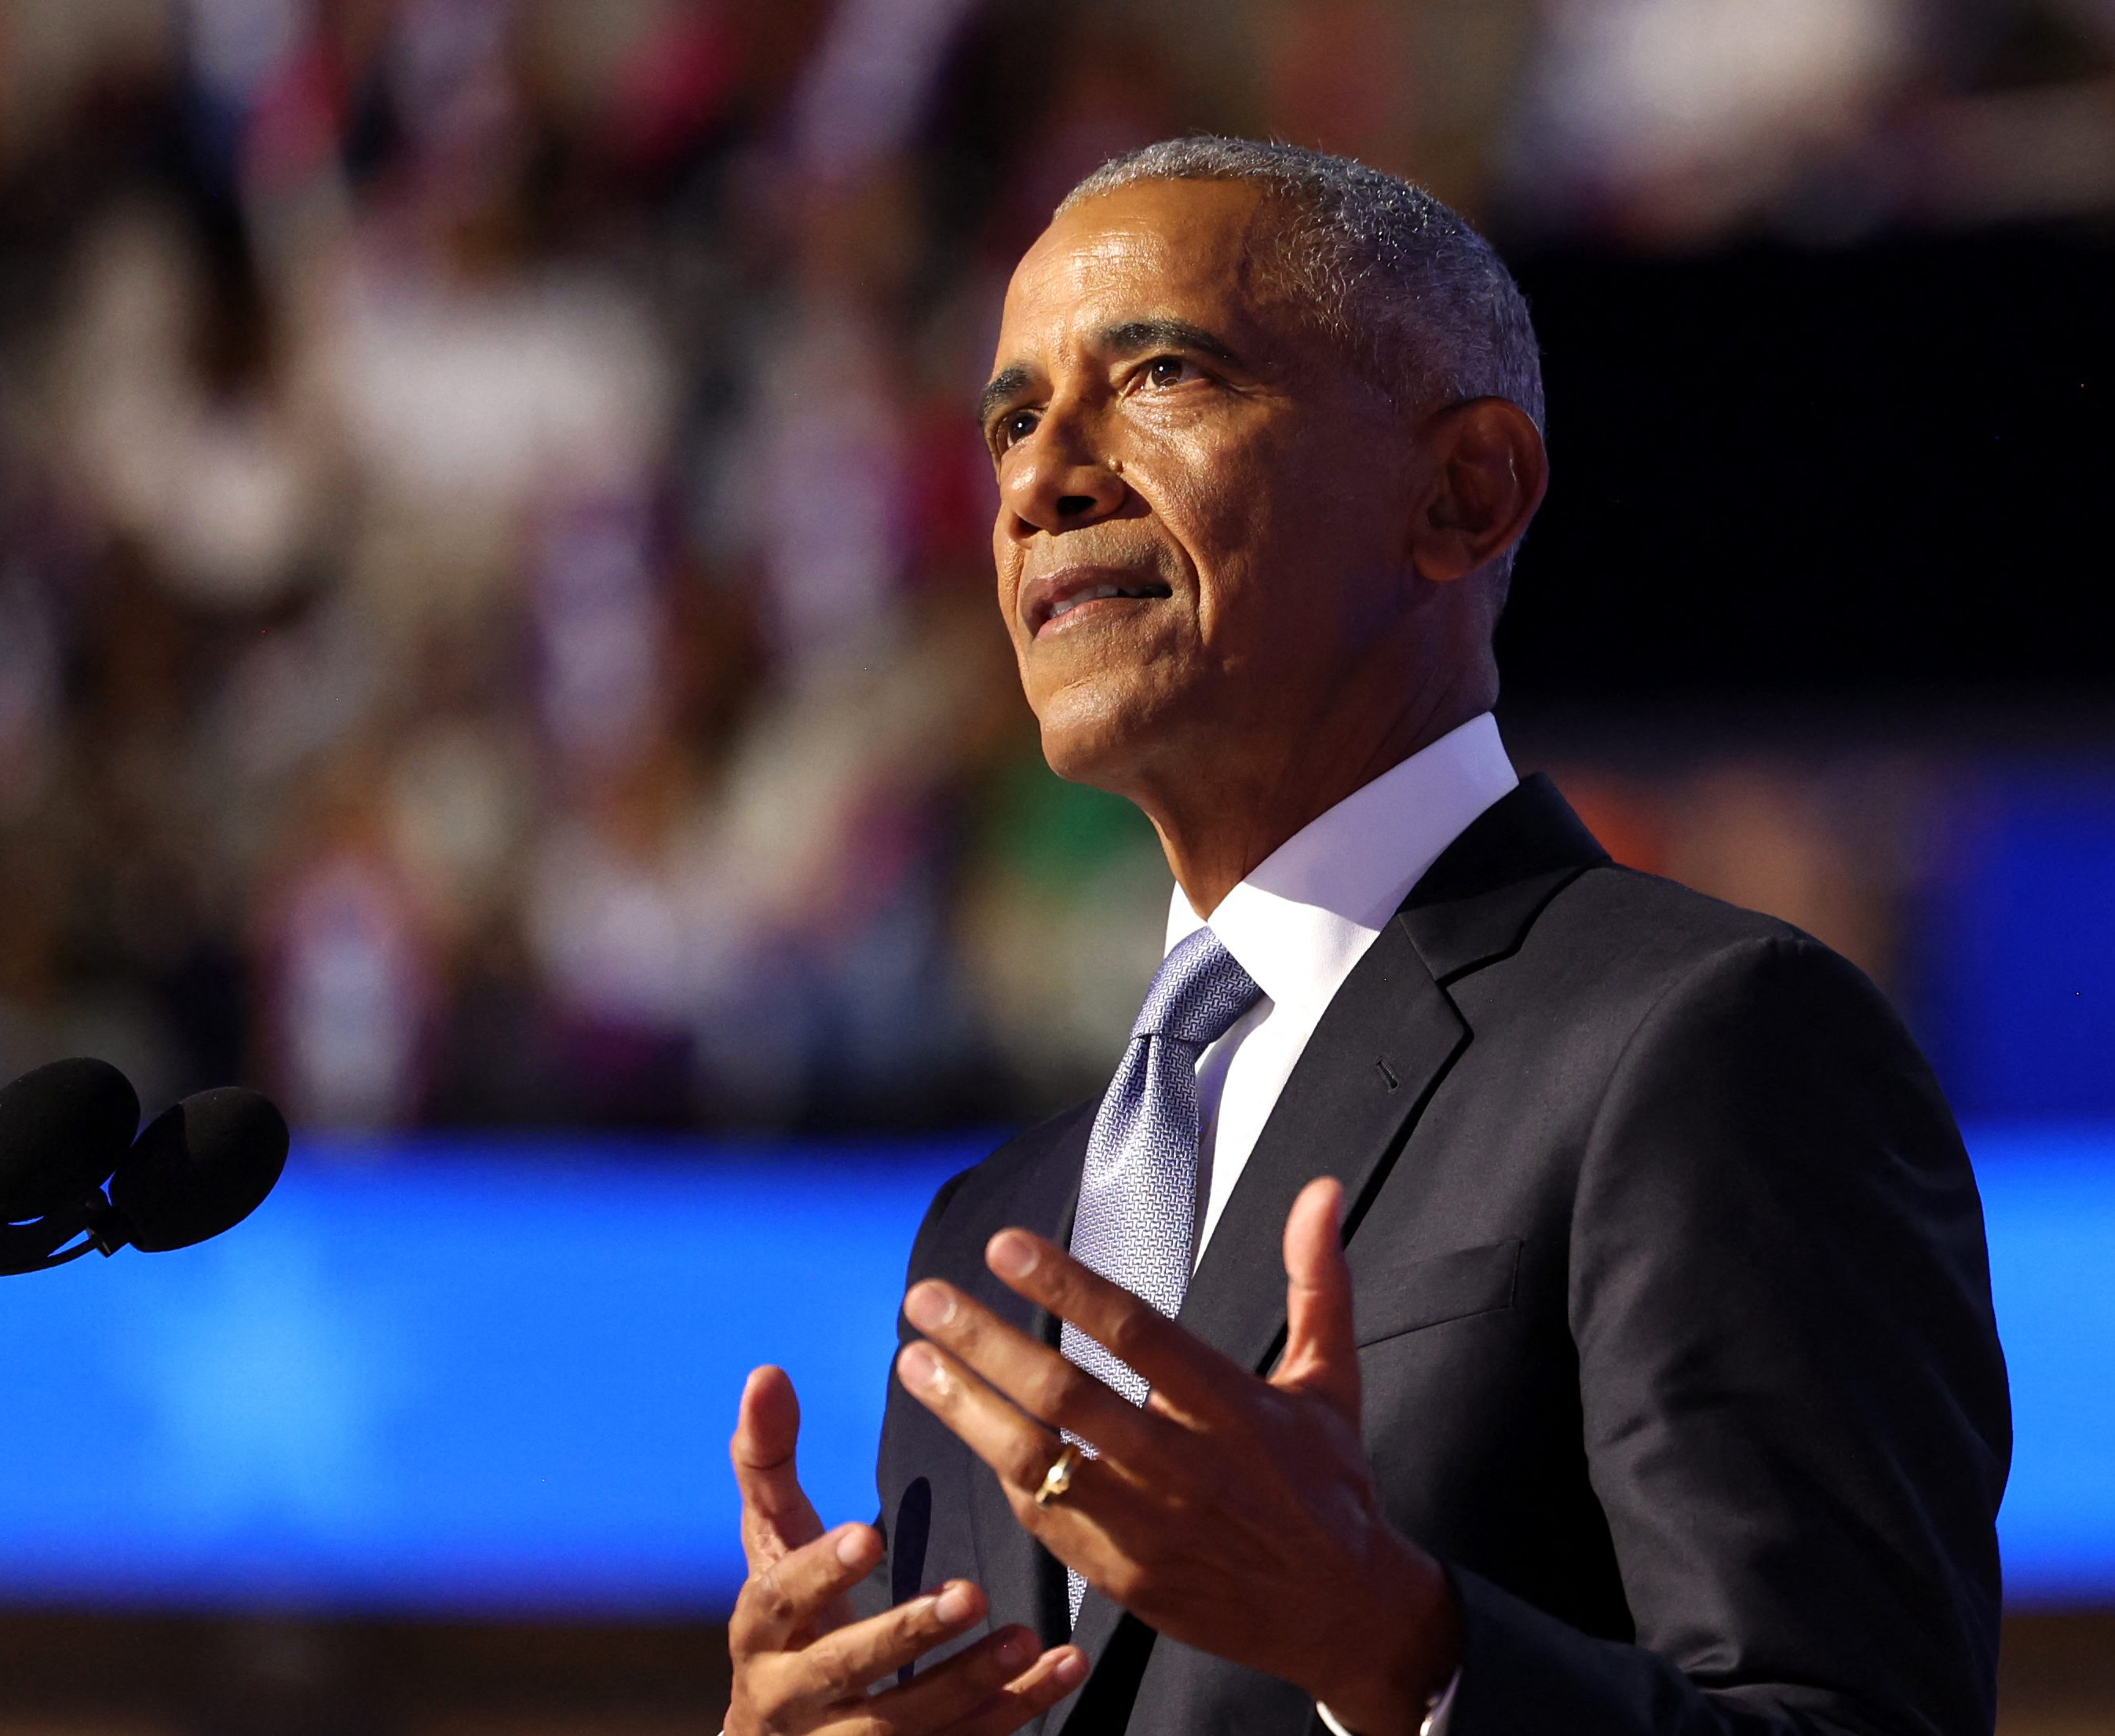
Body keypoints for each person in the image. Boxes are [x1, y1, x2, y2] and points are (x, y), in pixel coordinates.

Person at [716, 137, 2009, 1736]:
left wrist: (1399, 1645)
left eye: (1159, 375)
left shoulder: (1706, 1042)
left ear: (1461, 494)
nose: (1041, 474)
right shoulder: (994, 1224)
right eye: (1009, 418)